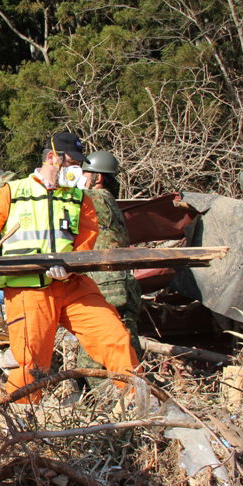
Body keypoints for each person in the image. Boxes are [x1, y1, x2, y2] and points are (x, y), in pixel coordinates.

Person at [0, 132, 139, 402]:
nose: (75, 170)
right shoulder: (14, 192)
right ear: (51, 158)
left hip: (71, 285)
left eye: (78, 165)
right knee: (32, 366)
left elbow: (85, 244)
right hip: (28, 290)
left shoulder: (80, 199)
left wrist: (71, 267)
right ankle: (21, 425)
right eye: (70, 163)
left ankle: (141, 406)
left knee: (116, 339)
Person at [78, 150, 143, 367]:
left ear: (99, 178)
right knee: (126, 343)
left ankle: (107, 398)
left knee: (96, 352)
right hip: (118, 285)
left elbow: (57, 194)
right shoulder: (108, 201)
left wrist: (9, 179)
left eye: (86, 173)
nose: (81, 176)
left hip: (108, 286)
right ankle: (134, 391)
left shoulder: (98, 199)